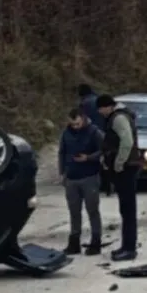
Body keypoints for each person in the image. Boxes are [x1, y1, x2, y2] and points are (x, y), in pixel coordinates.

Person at [96, 94, 141, 261]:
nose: (100, 113)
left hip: (127, 168)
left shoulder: (119, 118)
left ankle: (129, 248)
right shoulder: (120, 115)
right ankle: (126, 245)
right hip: (127, 167)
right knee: (126, 209)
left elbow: (127, 141)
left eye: (101, 109)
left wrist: (119, 163)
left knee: (128, 210)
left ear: (107, 106)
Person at [58, 108, 104, 256]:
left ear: (83, 119)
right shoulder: (66, 133)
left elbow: (104, 150)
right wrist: (62, 172)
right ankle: (74, 242)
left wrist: (89, 158)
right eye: (72, 124)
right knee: (74, 212)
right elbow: (62, 152)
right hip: (71, 177)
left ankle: (96, 242)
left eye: (77, 124)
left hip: (89, 176)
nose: (75, 127)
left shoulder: (94, 132)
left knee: (92, 210)